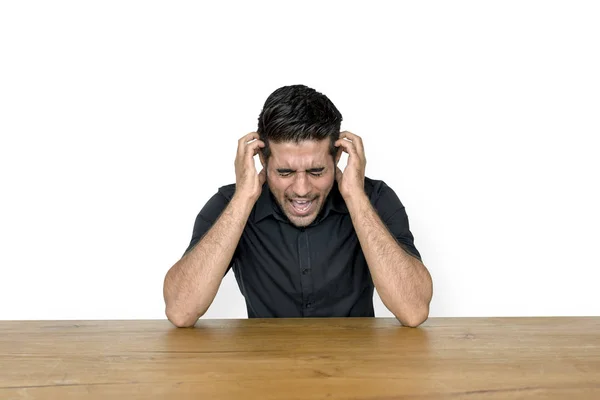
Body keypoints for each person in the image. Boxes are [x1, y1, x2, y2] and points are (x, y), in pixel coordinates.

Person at [163, 85, 433, 327]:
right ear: (262, 161)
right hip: (264, 372)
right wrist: (243, 199)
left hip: (356, 372)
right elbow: (180, 310)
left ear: (338, 156)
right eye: (284, 172)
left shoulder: (374, 199)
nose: (302, 189)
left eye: (316, 171)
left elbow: (413, 311)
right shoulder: (230, 205)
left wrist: (355, 198)